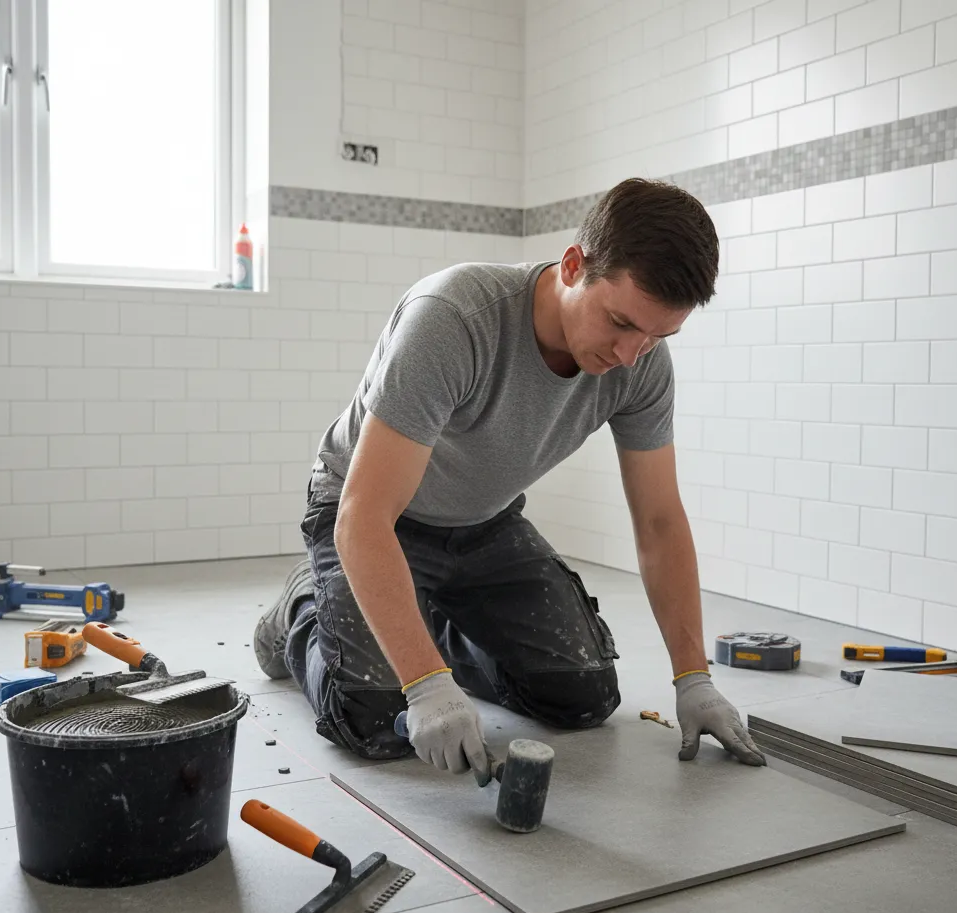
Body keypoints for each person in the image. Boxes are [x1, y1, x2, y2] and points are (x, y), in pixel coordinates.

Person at [254, 177, 766, 777]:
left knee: (583, 696)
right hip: (372, 517)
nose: (631, 354)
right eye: (621, 323)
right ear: (573, 266)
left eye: (658, 336)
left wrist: (693, 677)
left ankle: (421, 618)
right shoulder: (453, 318)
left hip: (483, 526)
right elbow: (364, 516)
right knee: (373, 717)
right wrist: (424, 686)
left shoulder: (643, 363)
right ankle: (304, 611)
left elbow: (658, 520)